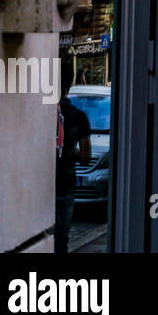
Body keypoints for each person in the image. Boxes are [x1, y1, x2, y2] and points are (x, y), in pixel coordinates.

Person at [55, 93, 92, 253]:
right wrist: (70, 151)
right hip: (65, 182)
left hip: (42, 182)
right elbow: (85, 156)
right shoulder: (78, 116)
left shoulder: (43, 114)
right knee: (61, 238)